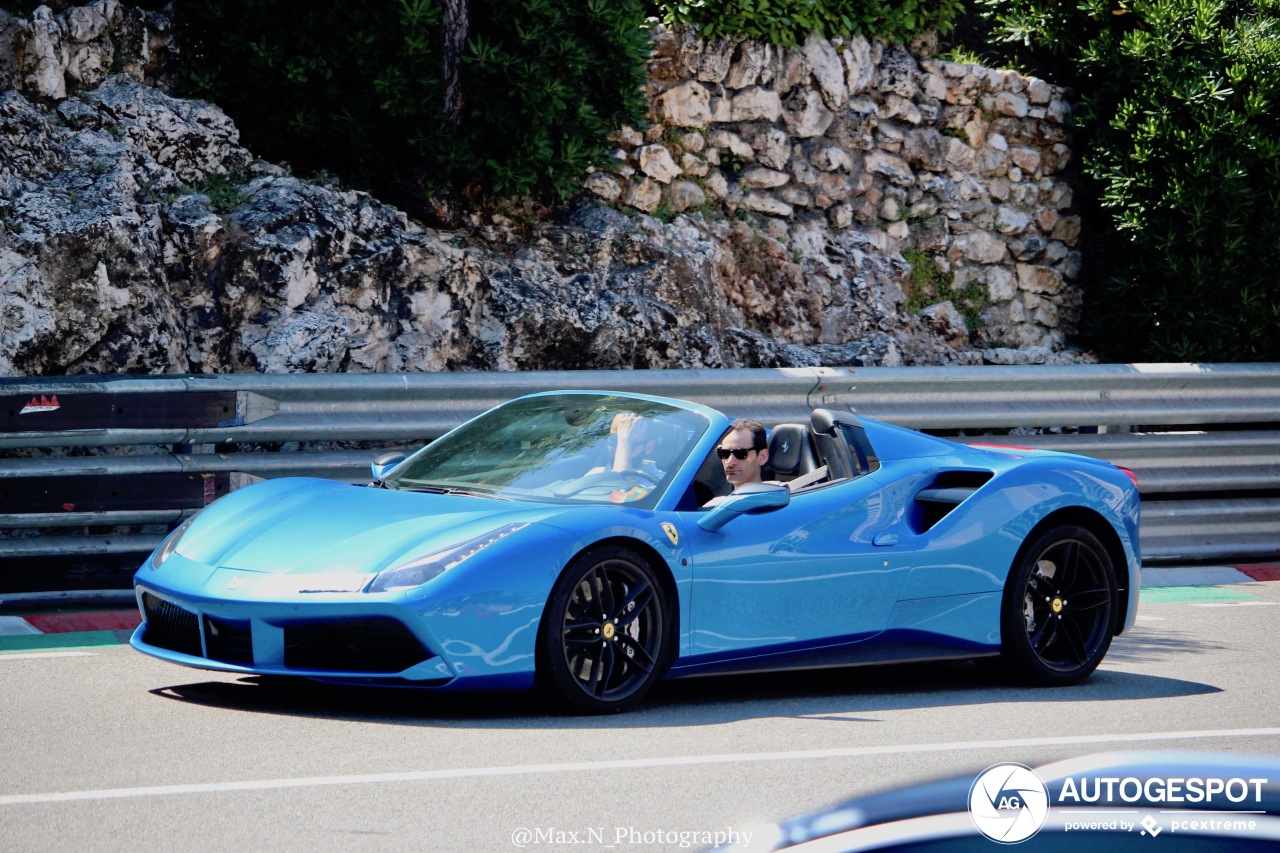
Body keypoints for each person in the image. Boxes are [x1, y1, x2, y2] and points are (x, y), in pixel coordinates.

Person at [705, 418, 770, 505]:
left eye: (740, 453)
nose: (730, 462)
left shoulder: (774, 506)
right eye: (724, 453)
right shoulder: (715, 505)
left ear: (762, 457)